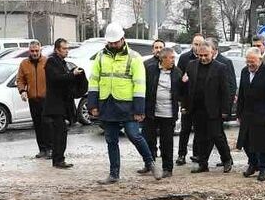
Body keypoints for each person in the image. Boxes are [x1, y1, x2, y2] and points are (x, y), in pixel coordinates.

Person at [87, 22, 157, 184]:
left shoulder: (134, 57)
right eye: (110, 42)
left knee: (134, 135)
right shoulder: (100, 56)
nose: (113, 45)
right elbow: (94, 81)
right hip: (107, 105)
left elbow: (140, 84)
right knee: (111, 140)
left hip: (128, 106)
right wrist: (93, 105)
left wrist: (139, 109)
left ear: (122, 39)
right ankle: (114, 174)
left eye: (115, 42)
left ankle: (150, 163)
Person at [182, 40, 234, 173]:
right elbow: (187, 88)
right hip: (197, 108)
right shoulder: (191, 65)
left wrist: (225, 110)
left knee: (217, 135)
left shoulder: (220, 67)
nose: (203, 58)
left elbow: (226, 91)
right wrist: (185, 105)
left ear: (212, 53)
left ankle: (227, 159)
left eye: (206, 55)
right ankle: (203, 163)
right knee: (200, 137)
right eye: (200, 55)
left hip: (214, 109)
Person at [236, 47, 265, 181]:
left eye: (253, 62)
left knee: (263, 145)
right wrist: (239, 113)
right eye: (248, 61)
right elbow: (242, 95)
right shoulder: (244, 72)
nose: (250, 65)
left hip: (264, 116)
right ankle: (253, 163)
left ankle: (263, 168)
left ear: (260, 60)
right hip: (247, 114)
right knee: (246, 142)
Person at [43, 38, 83, 169]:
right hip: (55, 105)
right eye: (64, 49)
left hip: (63, 103)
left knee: (62, 132)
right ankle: (58, 159)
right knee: (59, 132)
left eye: (67, 48)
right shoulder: (51, 62)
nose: (67, 51)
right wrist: (72, 74)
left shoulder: (62, 62)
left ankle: (59, 158)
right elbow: (57, 79)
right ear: (57, 50)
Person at [144, 46, 183, 178]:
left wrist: (185, 84)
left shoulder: (177, 72)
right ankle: (149, 164)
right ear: (162, 59)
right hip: (152, 112)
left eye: (173, 58)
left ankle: (167, 168)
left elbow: (182, 92)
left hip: (168, 113)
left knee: (167, 142)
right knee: (149, 140)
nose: (173, 60)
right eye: (171, 58)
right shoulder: (150, 70)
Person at [15, 40, 50, 159]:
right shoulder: (24, 64)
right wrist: (22, 91)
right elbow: (20, 79)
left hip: (46, 99)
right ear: (29, 51)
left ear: (40, 50)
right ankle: (42, 149)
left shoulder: (47, 62)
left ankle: (50, 148)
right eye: (32, 51)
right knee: (37, 125)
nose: (34, 53)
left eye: (36, 51)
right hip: (32, 99)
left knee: (47, 124)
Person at [177, 34, 206, 163]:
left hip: (200, 100)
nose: (198, 47)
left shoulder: (205, 58)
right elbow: (179, 78)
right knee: (185, 129)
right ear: (192, 44)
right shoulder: (184, 58)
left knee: (199, 129)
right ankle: (181, 154)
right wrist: (181, 100)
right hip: (187, 100)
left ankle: (197, 153)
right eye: (196, 44)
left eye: (200, 44)